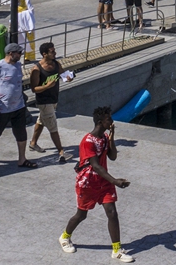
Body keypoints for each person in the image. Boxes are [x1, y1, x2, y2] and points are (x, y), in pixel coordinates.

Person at [61, 106, 134, 261]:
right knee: (81, 215)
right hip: (88, 183)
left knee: (112, 213)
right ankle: (65, 237)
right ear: (101, 122)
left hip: (104, 182)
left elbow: (113, 156)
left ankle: (117, 250)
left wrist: (112, 136)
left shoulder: (105, 138)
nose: (112, 122)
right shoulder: (87, 141)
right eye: (109, 119)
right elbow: (96, 165)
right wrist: (115, 181)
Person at [0, 42, 35, 168]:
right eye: (19, 53)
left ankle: (22, 159)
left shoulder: (18, 65)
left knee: (21, 133)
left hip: (19, 106)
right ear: (10, 53)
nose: (21, 55)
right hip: (1, 107)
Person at [29, 41, 69, 163]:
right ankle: (61, 151)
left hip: (54, 99)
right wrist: (46, 86)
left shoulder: (56, 64)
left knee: (41, 121)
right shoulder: (37, 69)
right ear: (44, 54)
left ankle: (33, 143)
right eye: (52, 52)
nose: (55, 53)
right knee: (53, 126)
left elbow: (63, 75)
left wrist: (68, 78)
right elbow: (33, 88)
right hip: (44, 101)